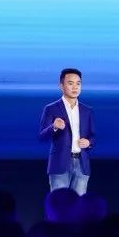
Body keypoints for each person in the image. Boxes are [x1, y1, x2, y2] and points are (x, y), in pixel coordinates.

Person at [38, 68, 95, 196]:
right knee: (59, 202)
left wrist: (89, 142)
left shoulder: (87, 111)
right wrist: (54, 126)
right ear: (61, 86)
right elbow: (42, 136)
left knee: (79, 204)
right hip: (60, 163)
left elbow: (93, 135)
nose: (75, 87)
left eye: (78, 83)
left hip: (82, 164)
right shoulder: (51, 108)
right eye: (70, 83)